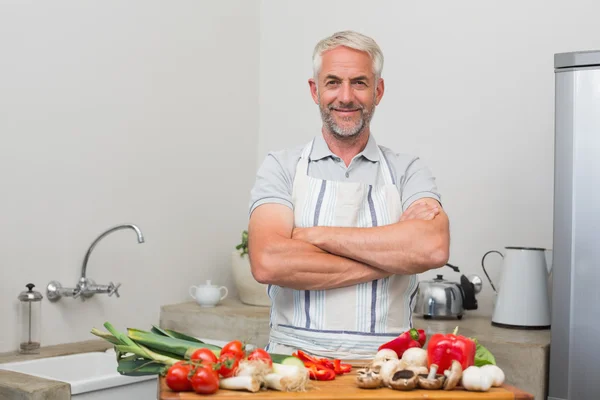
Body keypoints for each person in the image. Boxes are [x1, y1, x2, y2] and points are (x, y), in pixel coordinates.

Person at [247, 30, 449, 360]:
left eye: (359, 82)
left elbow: (432, 246)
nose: (345, 96)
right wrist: (392, 258)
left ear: (377, 91)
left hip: (388, 367)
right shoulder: (281, 167)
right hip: (292, 366)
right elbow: (268, 262)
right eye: (332, 82)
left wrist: (316, 237)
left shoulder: (408, 170)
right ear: (315, 90)